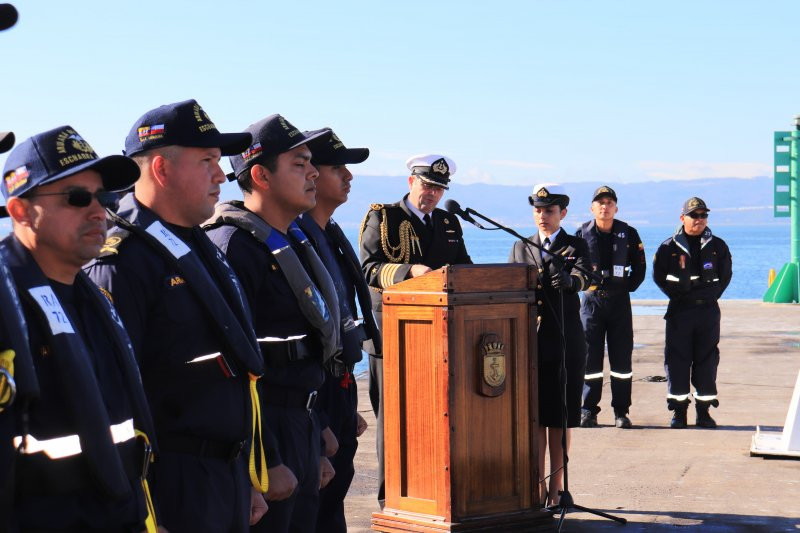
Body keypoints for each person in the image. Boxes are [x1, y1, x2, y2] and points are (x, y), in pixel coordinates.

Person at [85, 100, 269, 533]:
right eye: (206, 161)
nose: (221, 175)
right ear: (162, 171)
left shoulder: (195, 246)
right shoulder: (122, 262)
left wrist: (246, 475)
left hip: (222, 477)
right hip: (171, 487)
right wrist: (144, 513)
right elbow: (110, 403)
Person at [0, 125, 160, 531]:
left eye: (103, 197)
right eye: (76, 198)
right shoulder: (7, 309)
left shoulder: (94, 299)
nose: (98, 211)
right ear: (20, 211)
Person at [204, 114, 340, 533]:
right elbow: (237, 371)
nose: (313, 172)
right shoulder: (234, 247)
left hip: (301, 423)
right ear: (261, 175)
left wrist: (316, 435)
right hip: (268, 434)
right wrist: (266, 461)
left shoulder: (290, 242)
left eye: (311, 163)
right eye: (299, 164)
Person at [358, 153, 471, 504]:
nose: (432, 194)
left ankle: (429, 495)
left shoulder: (449, 223)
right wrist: (410, 272)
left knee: (435, 418)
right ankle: (390, 499)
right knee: (395, 423)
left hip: (440, 337)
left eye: (439, 189)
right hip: (393, 333)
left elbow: (463, 267)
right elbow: (368, 268)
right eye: (427, 186)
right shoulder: (384, 216)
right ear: (411, 183)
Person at [298, 128, 380, 532]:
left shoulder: (328, 232)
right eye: (337, 168)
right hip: (315, 394)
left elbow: (342, 315)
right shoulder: (295, 239)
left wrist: (347, 410)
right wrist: (323, 417)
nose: (348, 177)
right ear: (311, 174)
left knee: (333, 505)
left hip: (339, 387)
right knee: (314, 509)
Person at [507, 183, 590, 507]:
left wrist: (572, 282)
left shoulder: (575, 245)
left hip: (565, 342)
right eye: (538, 210)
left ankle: (556, 489)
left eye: (550, 210)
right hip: (529, 345)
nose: (543, 216)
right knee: (534, 420)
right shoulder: (521, 247)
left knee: (559, 419)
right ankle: (534, 488)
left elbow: (586, 275)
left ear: (563, 214)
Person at [653, 197, 732, 429]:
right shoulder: (669, 247)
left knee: (707, 361)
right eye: (694, 215)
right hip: (680, 311)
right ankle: (679, 412)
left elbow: (726, 276)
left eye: (702, 215)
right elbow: (659, 276)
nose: (699, 220)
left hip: (707, 311)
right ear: (683, 218)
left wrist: (711, 295)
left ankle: (703, 412)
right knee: (677, 360)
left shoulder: (718, 246)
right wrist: (677, 296)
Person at [575, 186, 646, 429]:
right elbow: (572, 266)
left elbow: (640, 267)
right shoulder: (581, 234)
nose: (605, 206)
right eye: (600, 203)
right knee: (589, 360)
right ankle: (588, 410)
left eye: (609, 202)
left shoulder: (629, 233)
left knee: (621, 361)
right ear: (592, 208)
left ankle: (621, 411)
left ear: (616, 208)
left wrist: (627, 287)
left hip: (619, 303)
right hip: (592, 304)